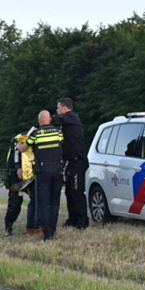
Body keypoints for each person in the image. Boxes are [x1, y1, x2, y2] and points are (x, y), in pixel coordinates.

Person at [19, 111, 64, 241]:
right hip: (57, 168)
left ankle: (47, 233)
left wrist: (18, 144)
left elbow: (23, 149)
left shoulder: (36, 134)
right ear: (49, 119)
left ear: (39, 121)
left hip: (43, 170)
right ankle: (53, 229)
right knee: (55, 200)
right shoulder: (58, 132)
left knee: (43, 201)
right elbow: (61, 143)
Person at [52, 97, 89, 229]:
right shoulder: (68, 121)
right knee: (69, 191)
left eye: (57, 108)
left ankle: (82, 222)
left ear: (63, 107)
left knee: (77, 191)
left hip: (77, 161)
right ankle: (72, 219)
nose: (57, 111)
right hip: (71, 161)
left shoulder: (70, 117)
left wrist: (43, 119)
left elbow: (53, 120)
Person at [3, 130, 38, 236]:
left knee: (36, 200)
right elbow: (17, 152)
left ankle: (32, 227)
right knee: (15, 203)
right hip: (16, 176)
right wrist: (18, 168)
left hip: (32, 175)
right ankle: (8, 227)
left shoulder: (39, 135)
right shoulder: (23, 137)